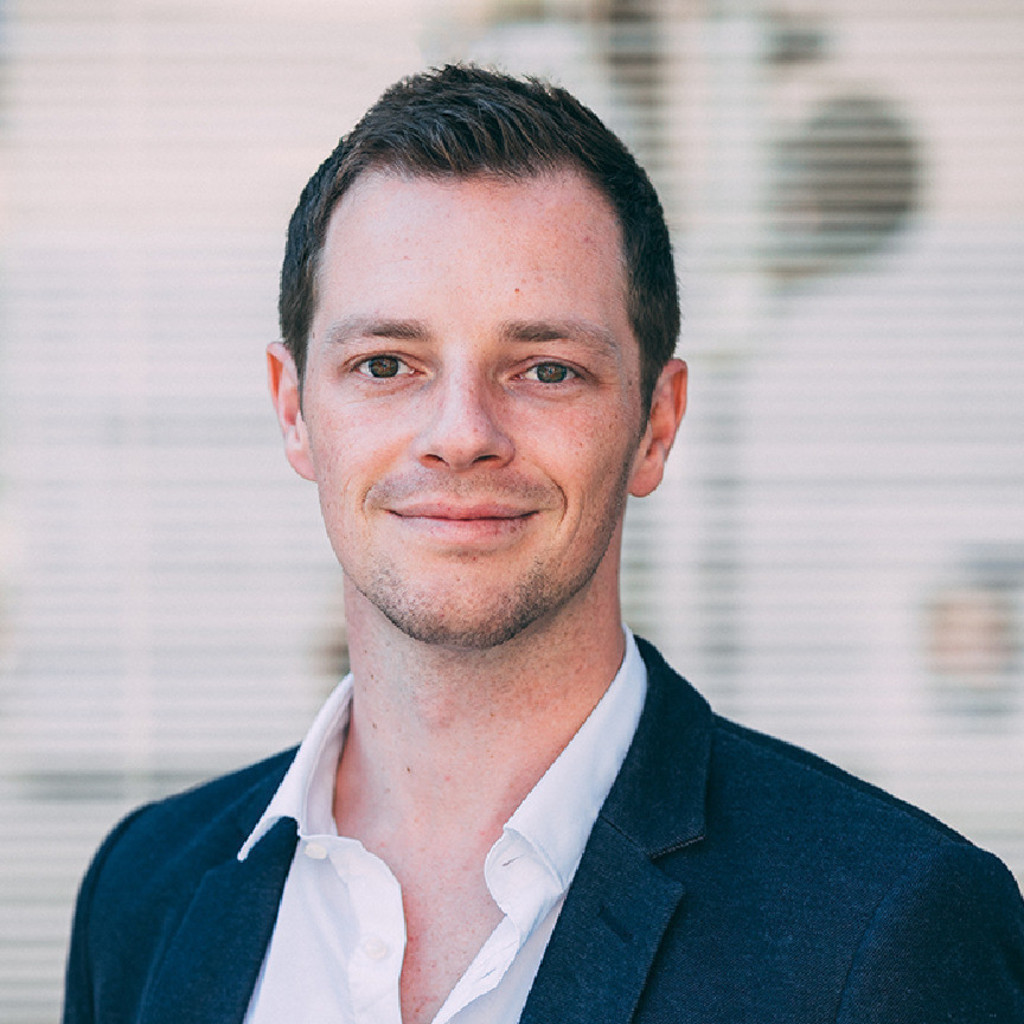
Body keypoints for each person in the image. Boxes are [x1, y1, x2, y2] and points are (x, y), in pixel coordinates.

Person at [62, 64, 1024, 1024]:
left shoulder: (887, 928)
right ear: (293, 410)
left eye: (547, 370)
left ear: (656, 425)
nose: (461, 434)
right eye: (386, 364)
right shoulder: (143, 893)